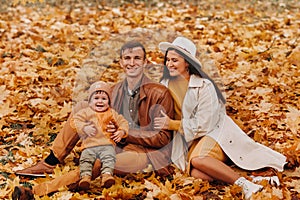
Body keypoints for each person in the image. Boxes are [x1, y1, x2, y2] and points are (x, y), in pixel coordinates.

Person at [12, 41, 174, 199]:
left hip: (146, 153)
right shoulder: (116, 89)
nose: (132, 63)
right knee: (82, 107)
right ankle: (51, 161)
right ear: (121, 62)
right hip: (116, 144)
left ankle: (34, 192)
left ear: (145, 62)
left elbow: (163, 138)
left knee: (99, 163)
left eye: (137, 58)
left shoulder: (159, 93)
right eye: (127, 58)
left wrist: (125, 133)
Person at [153, 36, 286, 200]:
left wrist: (171, 124)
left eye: (175, 60)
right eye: (168, 60)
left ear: (187, 62)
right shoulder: (164, 84)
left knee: (199, 160)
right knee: (199, 174)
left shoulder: (204, 86)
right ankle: (253, 180)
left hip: (214, 132)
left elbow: (205, 123)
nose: (169, 64)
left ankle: (245, 185)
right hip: (189, 139)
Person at [72, 81, 129, 190]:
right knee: (85, 159)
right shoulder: (85, 112)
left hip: (106, 144)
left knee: (109, 158)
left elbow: (123, 122)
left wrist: (121, 131)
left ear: (109, 102)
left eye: (104, 99)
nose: (100, 101)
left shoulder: (112, 113)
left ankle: (107, 175)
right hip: (89, 145)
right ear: (89, 101)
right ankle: (85, 177)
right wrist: (84, 127)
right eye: (96, 98)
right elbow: (75, 121)